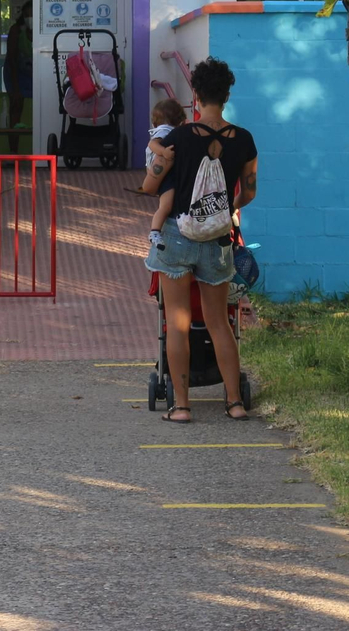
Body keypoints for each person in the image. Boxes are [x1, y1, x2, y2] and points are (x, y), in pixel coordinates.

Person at [144, 58, 258, 424]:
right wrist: (228, 209)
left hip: (178, 236)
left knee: (177, 322)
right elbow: (250, 192)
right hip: (217, 239)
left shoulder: (177, 138)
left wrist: (159, 164)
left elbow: (151, 183)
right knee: (218, 323)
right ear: (226, 95)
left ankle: (181, 407)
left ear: (195, 94)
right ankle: (235, 403)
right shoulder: (244, 139)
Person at [140, 98, 188, 243]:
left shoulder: (168, 130)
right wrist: (164, 152)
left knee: (167, 204)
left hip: (163, 173)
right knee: (165, 206)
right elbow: (152, 144)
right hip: (165, 177)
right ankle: (155, 231)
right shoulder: (165, 130)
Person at [3, 0, 34, 149]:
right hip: (15, 73)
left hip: (35, 73)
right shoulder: (16, 31)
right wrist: (16, 89)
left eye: (33, 15)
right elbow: (12, 60)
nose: (30, 18)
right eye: (27, 15)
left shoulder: (44, 31)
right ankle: (13, 153)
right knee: (16, 108)